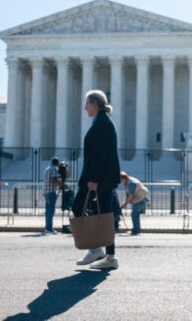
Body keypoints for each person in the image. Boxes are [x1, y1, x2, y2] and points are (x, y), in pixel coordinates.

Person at [73, 90, 121, 270]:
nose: (85, 107)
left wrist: (93, 179)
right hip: (103, 177)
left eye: (87, 103)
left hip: (98, 178)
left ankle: (97, 250)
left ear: (95, 103)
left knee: (78, 206)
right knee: (104, 215)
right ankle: (107, 255)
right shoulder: (102, 121)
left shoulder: (102, 123)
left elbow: (100, 154)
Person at [42, 157, 61, 235]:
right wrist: (61, 184)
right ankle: (49, 228)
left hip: (46, 191)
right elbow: (54, 180)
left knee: (47, 211)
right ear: (57, 163)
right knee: (51, 211)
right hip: (51, 191)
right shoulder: (54, 169)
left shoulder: (48, 168)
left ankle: (47, 227)